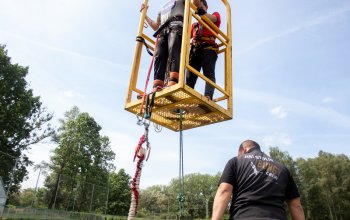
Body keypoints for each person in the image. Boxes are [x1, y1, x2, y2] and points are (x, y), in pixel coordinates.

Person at [212, 140, 305, 220]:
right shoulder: (283, 169)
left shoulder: (236, 161)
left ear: (243, 150)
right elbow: (296, 205)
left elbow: (224, 191)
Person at [140, 0, 186, 92]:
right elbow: (156, 26)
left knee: (173, 50)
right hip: (163, 31)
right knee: (159, 55)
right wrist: (144, 15)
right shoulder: (162, 7)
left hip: (176, 26)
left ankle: (173, 80)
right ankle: (157, 84)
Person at [186, 0, 221, 100]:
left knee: (208, 73)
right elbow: (185, 37)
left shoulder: (214, 15)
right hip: (195, 49)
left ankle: (208, 96)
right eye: (195, 6)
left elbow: (214, 19)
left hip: (208, 48)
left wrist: (203, 13)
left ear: (205, 6)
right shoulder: (195, 25)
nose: (196, 8)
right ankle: (188, 97)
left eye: (198, 6)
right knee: (190, 76)